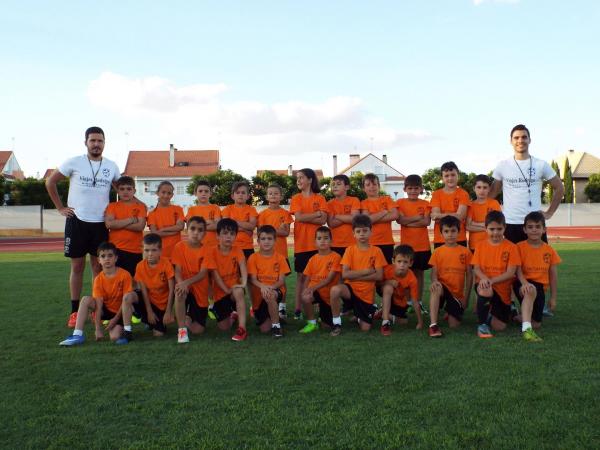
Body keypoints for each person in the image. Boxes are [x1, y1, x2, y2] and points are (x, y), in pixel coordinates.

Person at [46, 126, 121, 327]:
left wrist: (138, 206)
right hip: (77, 221)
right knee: (77, 266)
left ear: (105, 143)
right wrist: (61, 207)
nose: (96, 144)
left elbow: (122, 191)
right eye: (93, 141)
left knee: (98, 267)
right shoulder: (74, 162)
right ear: (86, 142)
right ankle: (74, 311)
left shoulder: (112, 166)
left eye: (100, 141)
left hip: (100, 223)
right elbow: (50, 182)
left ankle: (98, 308)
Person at [489, 124, 564, 244]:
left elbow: (560, 188)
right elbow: (491, 194)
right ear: (511, 141)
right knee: (512, 262)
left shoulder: (541, 164)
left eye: (524, 137)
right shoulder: (503, 165)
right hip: (510, 224)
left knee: (538, 262)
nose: (520, 140)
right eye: (516, 138)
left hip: (534, 224)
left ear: (529, 140)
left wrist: (549, 212)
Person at [59, 242, 135, 346]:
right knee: (86, 299)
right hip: (105, 310)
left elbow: (126, 301)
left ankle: (124, 329)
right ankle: (77, 334)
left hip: (120, 311)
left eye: (110, 255)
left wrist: (115, 320)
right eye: (103, 256)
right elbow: (99, 305)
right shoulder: (98, 279)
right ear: (99, 260)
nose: (107, 259)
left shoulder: (124, 275)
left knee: (114, 337)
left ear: (116, 258)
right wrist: (98, 329)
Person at [329, 214, 387, 336]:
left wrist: (354, 275)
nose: (362, 234)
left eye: (365, 231)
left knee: (365, 328)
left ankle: (359, 315)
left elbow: (379, 276)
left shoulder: (376, 251)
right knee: (335, 290)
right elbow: (345, 274)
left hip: (366, 295)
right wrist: (367, 271)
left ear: (371, 232)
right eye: (358, 231)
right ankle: (336, 323)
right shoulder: (350, 250)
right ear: (353, 234)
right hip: (350, 291)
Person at [513, 211, 562, 342]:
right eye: (530, 227)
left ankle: (517, 317)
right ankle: (527, 331)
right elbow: (517, 269)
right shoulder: (519, 247)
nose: (534, 230)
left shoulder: (549, 250)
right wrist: (524, 283)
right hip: (522, 282)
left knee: (537, 323)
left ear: (544, 229)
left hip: (540, 287)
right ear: (524, 229)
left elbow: (553, 275)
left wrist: (553, 298)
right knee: (530, 290)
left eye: (537, 226)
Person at [472, 211, 521, 338]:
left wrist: (491, 280)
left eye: (499, 229)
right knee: (485, 289)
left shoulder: (511, 247)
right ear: (485, 229)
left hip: (501, 290)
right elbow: (476, 268)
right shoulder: (480, 246)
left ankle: (489, 312)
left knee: (500, 327)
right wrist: (484, 279)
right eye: (492, 229)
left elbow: (511, 273)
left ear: (505, 228)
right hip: (484, 284)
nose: (495, 233)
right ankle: (482, 326)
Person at [119, 234, 175, 344]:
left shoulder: (166, 264)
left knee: (158, 334)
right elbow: (143, 291)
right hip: (148, 301)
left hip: (161, 306)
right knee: (128, 297)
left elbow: (172, 290)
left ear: (160, 251)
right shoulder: (140, 266)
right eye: (147, 250)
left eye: (154, 250)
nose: (150, 254)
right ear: (142, 250)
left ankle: (151, 322)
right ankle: (127, 331)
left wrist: (168, 311)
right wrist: (149, 311)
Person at [289, 168, 328, 320]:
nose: (298, 180)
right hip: (302, 244)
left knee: (317, 277)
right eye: (297, 178)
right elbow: (298, 218)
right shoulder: (296, 198)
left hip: (318, 245)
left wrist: (309, 217)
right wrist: (316, 214)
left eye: (301, 177)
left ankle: (317, 307)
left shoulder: (320, 198)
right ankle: (298, 309)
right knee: (301, 277)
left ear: (310, 180)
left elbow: (323, 220)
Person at [203, 218, 249, 342]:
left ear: (235, 236)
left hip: (233, 290)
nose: (228, 237)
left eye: (232, 234)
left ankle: (242, 328)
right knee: (224, 327)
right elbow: (215, 275)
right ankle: (234, 315)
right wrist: (226, 290)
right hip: (221, 292)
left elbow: (243, 266)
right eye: (225, 233)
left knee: (238, 291)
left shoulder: (237, 250)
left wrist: (243, 283)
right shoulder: (211, 252)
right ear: (217, 236)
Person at [427, 216, 473, 338]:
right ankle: (433, 325)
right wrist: (435, 281)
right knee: (436, 287)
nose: (450, 234)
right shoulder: (437, 252)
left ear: (459, 232)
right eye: (446, 231)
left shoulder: (465, 252)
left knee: (454, 325)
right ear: (441, 233)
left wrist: (466, 298)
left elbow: (469, 276)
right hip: (443, 288)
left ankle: (450, 311)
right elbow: (433, 273)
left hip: (456, 294)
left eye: (453, 231)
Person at [171, 216, 210, 343]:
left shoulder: (207, 250)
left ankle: (187, 317)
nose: (196, 233)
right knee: (179, 293)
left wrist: (186, 283)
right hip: (185, 286)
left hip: (199, 289)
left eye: (200, 230)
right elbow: (177, 270)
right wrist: (182, 284)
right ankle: (181, 330)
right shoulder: (179, 247)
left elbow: (203, 273)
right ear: (187, 230)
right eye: (192, 229)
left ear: (204, 233)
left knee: (198, 330)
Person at [257, 183, 293, 319]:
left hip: (281, 254)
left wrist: (271, 229)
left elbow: (286, 232)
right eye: (270, 193)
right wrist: (278, 229)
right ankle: (262, 304)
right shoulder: (263, 214)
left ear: (281, 196)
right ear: (266, 196)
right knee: (265, 279)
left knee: (281, 281)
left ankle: (282, 307)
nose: (273, 195)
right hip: (265, 255)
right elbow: (262, 232)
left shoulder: (285, 213)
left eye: (276, 193)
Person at [396, 174, 431, 312]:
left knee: (419, 274)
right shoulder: (400, 202)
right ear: (405, 189)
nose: (413, 191)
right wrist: (417, 218)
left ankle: (418, 301)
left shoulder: (426, 204)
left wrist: (408, 221)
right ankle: (407, 301)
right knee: (405, 273)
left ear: (421, 189)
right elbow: (400, 221)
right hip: (406, 247)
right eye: (410, 188)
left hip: (422, 245)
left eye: (416, 188)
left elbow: (426, 222)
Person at [247, 225, 291, 337]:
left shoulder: (280, 258)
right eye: (263, 239)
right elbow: (252, 279)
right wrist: (263, 286)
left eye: (270, 239)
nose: (266, 242)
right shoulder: (253, 258)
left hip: (275, 290)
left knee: (270, 295)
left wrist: (270, 287)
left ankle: (276, 326)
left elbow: (281, 281)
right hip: (260, 293)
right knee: (264, 329)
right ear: (258, 241)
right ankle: (275, 317)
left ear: (275, 240)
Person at [299, 226, 342, 334]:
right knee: (305, 296)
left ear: (331, 241)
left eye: (326, 238)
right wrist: (305, 290)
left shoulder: (336, 257)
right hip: (315, 291)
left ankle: (324, 317)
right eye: (319, 238)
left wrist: (311, 288)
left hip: (328, 295)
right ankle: (312, 323)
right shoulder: (313, 259)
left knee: (326, 326)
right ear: (315, 242)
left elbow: (328, 279)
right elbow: (307, 278)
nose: (322, 241)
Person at [104, 176, 147, 277]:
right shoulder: (112, 206)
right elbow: (109, 224)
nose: (125, 192)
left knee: (133, 281)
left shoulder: (140, 207)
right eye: (122, 189)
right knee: (115, 278)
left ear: (134, 190)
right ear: (117, 191)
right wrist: (131, 220)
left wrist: (118, 224)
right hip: (115, 250)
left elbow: (140, 226)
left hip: (134, 250)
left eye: (129, 189)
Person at [379, 245, 422, 336]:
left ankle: (383, 313)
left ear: (410, 263)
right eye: (399, 261)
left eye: (405, 262)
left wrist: (420, 322)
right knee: (388, 287)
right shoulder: (387, 270)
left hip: (400, 301)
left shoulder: (412, 279)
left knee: (404, 321)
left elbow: (414, 301)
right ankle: (385, 323)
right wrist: (388, 282)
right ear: (393, 261)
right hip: (387, 293)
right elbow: (377, 284)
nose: (402, 265)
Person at [360, 173, 398, 263]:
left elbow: (395, 215)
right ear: (363, 188)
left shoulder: (387, 199)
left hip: (387, 242)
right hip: (370, 242)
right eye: (368, 185)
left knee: (387, 271)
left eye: (374, 184)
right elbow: (367, 221)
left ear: (379, 186)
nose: (372, 187)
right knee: (372, 269)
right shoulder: (363, 203)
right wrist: (384, 212)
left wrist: (373, 218)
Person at [430, 161, 470, 249]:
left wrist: (440, 215)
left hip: (459, 238)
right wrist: (454, 215)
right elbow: (435, 218)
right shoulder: (436, 194)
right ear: (442, 178)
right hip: (440, 239)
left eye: (453, 175)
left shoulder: (463, 194)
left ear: (458, 176)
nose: (450, 178)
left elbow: (460, 216)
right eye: (446, 176)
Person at [146, 181, 185, 261]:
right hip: (160, 255)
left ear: (172, 195)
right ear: (157, 193)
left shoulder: (178, 209)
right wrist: (174, 231)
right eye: (163, 192)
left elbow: (180, 226)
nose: (166, 196)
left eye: (169, 193)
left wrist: (163, 229)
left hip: (176, 253)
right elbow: (155, 233)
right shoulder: (152, 214)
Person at [221, 181, 258, 260]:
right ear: (232, 196)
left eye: (243, 192)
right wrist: (245, 229)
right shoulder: (227, 209)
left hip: (247, 247)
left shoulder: (251, 209)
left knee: (249, 272)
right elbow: (226, 227)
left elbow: (252, 226)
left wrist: (234, 221)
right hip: (231, 246)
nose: (240, 194)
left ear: (248, 196)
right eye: (237, 192)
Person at [326, 174, 360, 257]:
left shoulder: (354, 200)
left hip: (353, 243)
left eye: (338, 184)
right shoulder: (329, 204)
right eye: (333, 184)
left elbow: (355, 220)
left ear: (347, 187)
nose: (335, 186)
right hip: (335, 245)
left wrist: (337, 216)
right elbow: (331, 223)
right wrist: (348, 217)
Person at [466, 174, 501, 252]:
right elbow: (468, 226)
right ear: (474, 188)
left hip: (491, 243)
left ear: (489, 189)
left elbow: (497, 224)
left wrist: (475, 223)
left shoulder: (494, 203)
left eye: (485, 187)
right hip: (475, 244)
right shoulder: (470, 205)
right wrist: (487, 227)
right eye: (479, 187)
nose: (482, 191)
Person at [185, 180, 221, 247]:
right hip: (197, 245)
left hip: (213, 246)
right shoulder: (191, 210)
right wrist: (209, 222)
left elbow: (217, 225)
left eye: (206, 191)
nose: (203, 193)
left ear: (210, 193)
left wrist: (199, 226)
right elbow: (191, 227)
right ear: (195, 193)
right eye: (200, 191)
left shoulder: (215, 208)